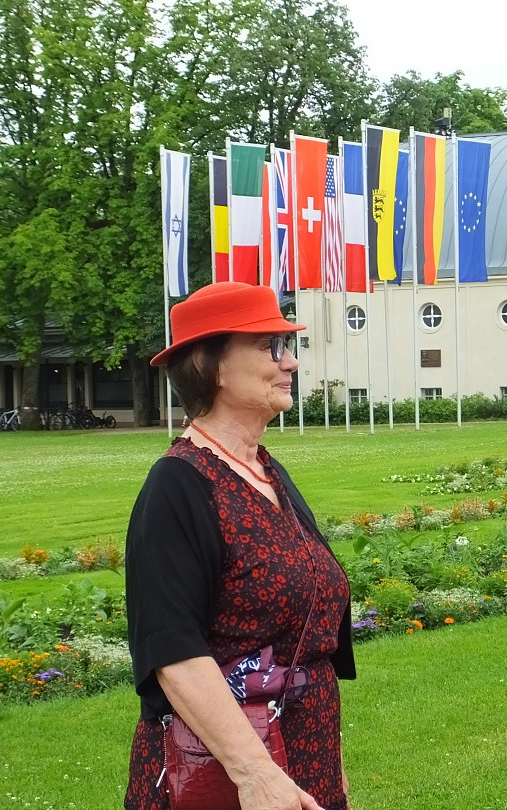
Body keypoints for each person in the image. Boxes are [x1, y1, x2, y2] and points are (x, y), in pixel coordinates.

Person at [124, 282, 354, 810]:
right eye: (269, 346)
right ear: (212, 367)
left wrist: (333, 772)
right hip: (220, 776)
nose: (291, 361)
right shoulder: (178, 485)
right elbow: (172, 649)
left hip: (306, 753)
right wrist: (254, 774)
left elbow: (307, 644)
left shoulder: (267, 472)